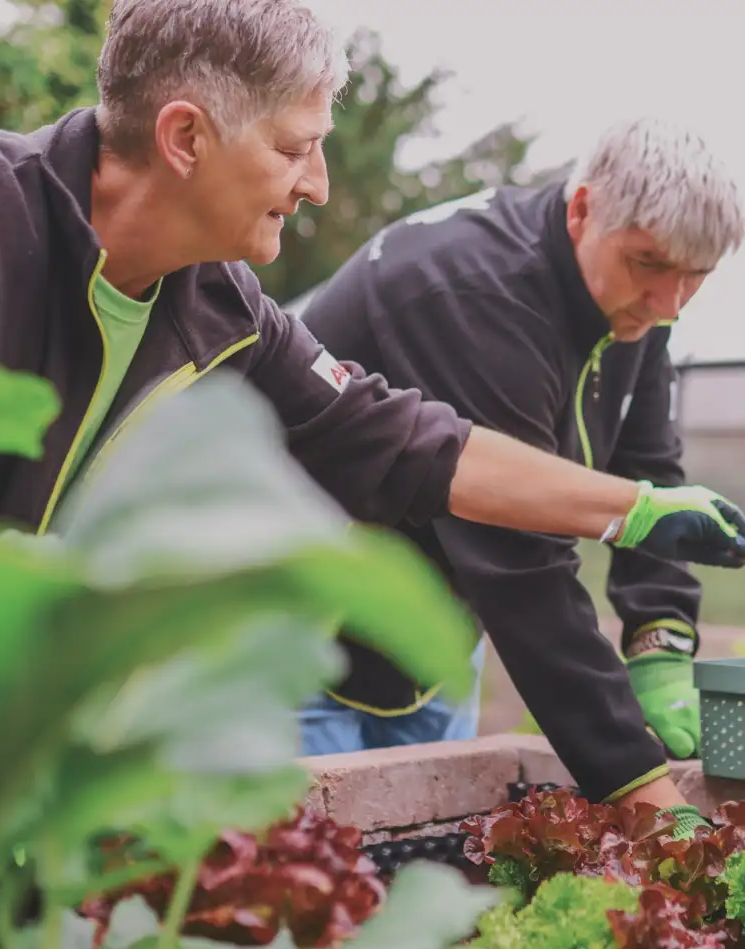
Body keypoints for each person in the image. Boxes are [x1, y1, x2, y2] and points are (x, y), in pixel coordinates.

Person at [0, 1, 742, 834]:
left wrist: (635, 512)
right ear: (185, 139)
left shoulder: (224, 306)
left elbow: (404, 439)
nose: (318, 183)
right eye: (294, 149)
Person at [297, 116, 745, 832]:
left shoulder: (637, 309)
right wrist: (641, 787)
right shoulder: (469, 293)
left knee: (425, 868)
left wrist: (659, 643)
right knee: (302, 899)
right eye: (651, 264)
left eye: (698, 276)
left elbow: (649, 476)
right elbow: (521, 562)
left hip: (435, 639)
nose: (670, 304)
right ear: (582, 209)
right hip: (297, 639)